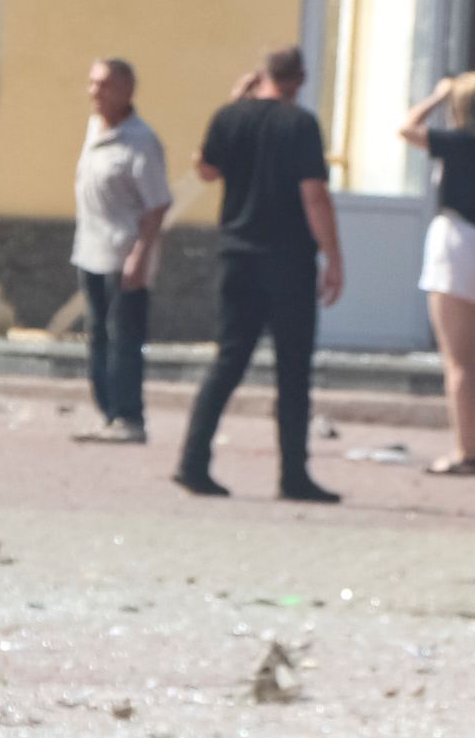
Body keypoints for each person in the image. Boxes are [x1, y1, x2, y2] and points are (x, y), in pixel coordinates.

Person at [174, 45, 345, 504]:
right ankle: (293, 475)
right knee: (293, 370)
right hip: (288, 259)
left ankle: (192, 462)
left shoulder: (229, 117)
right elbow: (314, 195)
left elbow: (205, 169)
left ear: (260, 75)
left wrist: (235, 104)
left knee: (228, 360)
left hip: (237, 255)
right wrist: (333, 256)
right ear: (299, 79)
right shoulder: (300, 124)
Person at [399, 71, 475, 476]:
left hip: (459, 244)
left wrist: (435, 96)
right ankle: (473, 445)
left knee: (458, 360)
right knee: (473, 359)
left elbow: (407, 129)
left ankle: (467, 452)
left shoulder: (464, 143)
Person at [67, 57, 170, 444]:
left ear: (127, 91)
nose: (95, 92)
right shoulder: (95, 128)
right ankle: (108, 413)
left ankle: (129, 417)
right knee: (97, 337)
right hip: (90, 251)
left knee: (123, 338)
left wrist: (140, 256)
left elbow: (157, 205)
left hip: (123, 256)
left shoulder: (141, 141)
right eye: (92, 83)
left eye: (105, 84)